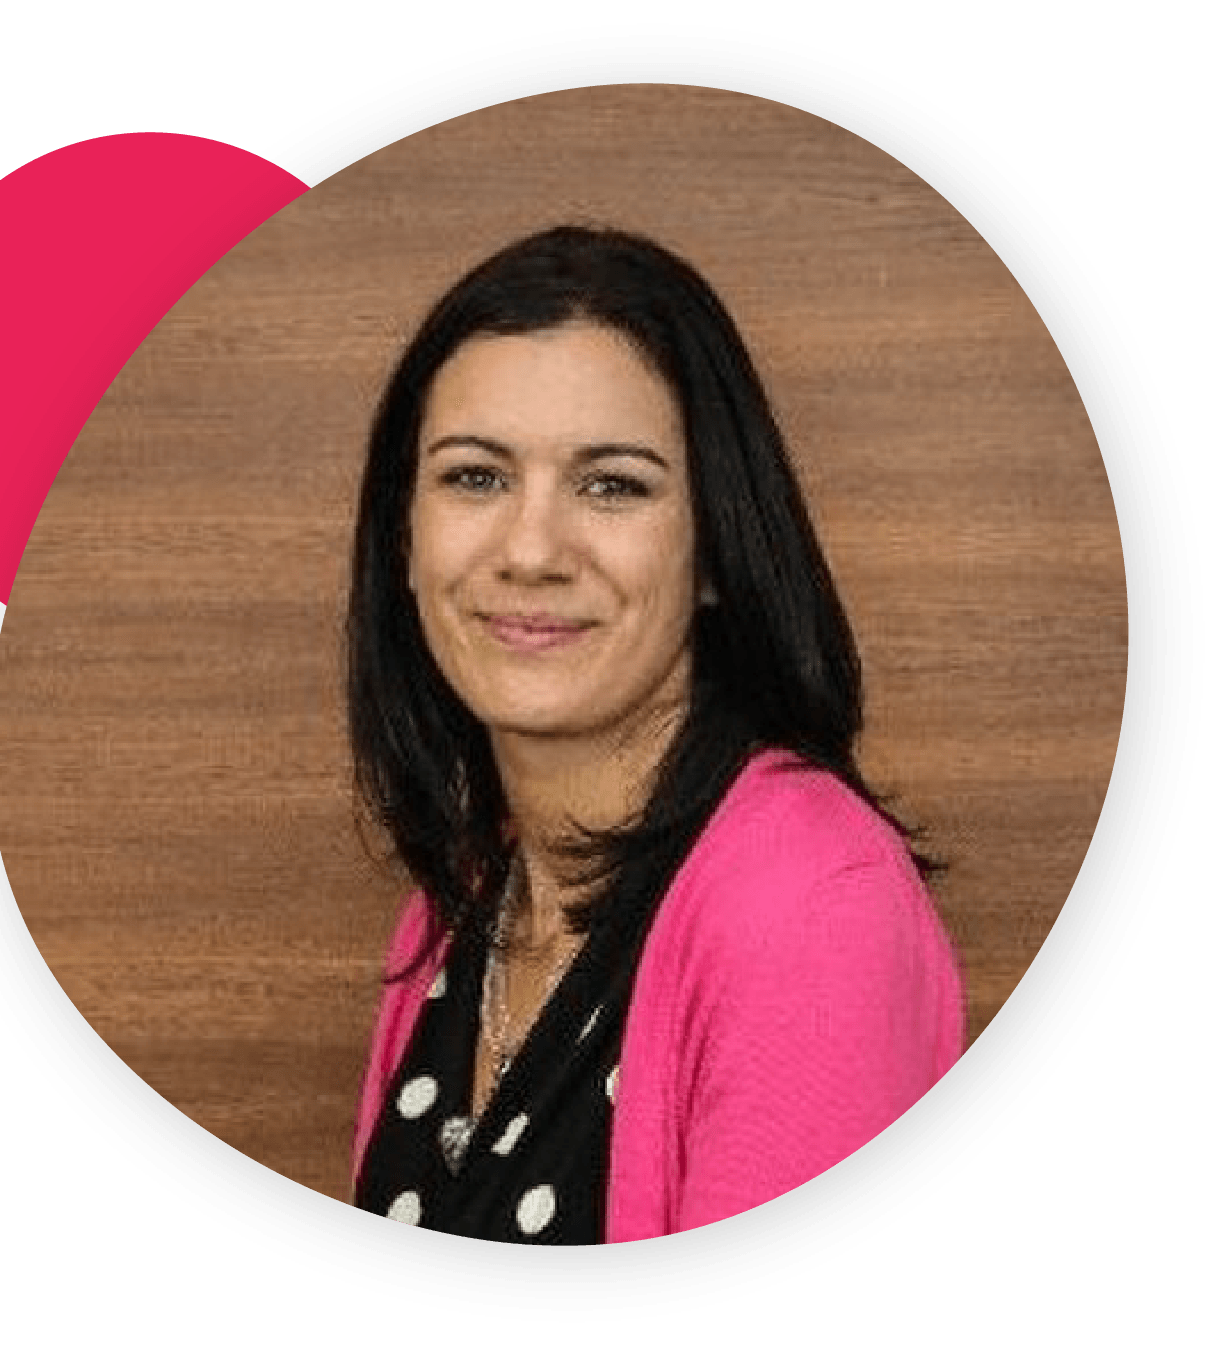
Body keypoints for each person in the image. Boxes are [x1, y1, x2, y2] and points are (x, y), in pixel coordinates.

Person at [346, 225, 965, 1245]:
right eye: (474, 477)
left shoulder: (813, 911)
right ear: (402, 538)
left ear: (716, 548)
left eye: (611, 485)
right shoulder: (453, 903)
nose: (531, 549)